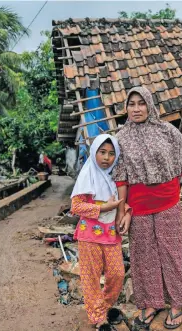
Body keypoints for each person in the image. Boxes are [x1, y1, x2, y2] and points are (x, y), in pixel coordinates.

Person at [112, 87, 182, 330]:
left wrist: (171, 186)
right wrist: (122, 210)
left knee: (170, 253)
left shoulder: (167, 131)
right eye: (132, 104)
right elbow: (120, 177)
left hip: (167, 202)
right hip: (138, 206)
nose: (137, 108)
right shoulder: (121, 138)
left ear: (150, 105)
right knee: (143, 256)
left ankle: (176, 304)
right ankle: (151, 303)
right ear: (126, 108)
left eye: (141, 103)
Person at [70, 134, 132, 331]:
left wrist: (127, 213)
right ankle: (98, 318)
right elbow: (76, 206)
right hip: (89, 234)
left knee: (117, 274)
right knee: (91, 277)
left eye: (112, 153)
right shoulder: (87, 174)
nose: (106, 158)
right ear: (94, 152)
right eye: (102, 152)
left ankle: (103, 307)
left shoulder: (115, 178)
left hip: (111, 233)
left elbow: (122, 203)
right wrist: (103, 208)